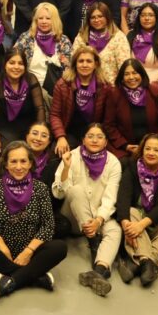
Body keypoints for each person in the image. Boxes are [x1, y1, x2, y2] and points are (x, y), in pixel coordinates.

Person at [0, 141, 67, 302]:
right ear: (6, 165)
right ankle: (35, 276)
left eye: (23, 161)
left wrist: (28, 252)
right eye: (13, 161)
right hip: (0, 250)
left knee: (60, 248)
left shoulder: (41, 188)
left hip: (31, 249)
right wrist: (3, 248)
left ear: (30, 163)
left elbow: (48, 226)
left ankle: (8, 281)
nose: (19, 166)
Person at [51, 124, 121, 297]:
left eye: (99, 136)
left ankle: (100, 270)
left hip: (96, 219)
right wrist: (66, 167)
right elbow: (59, 193)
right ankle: (93, 240)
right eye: (90, 136)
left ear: (105, 141)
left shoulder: (113, 163)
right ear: (83, 139)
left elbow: (110, 198)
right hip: (73, 217)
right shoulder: (72, 156)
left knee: (114, 229)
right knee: (76, 190)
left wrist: (98, 220)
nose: (95, 140)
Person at [115, 133, 158, 286]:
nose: (151, 153)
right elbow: (123, 196)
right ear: (142, 151)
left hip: (152, 223)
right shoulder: (131, 167)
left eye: (156, 150)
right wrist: (126, 225)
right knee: (132, 212)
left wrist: (140, 226)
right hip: (132, 221)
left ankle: (137, 264)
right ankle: (146, 263)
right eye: (147, 149)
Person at [50, 46, 114, 154]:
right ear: (75, 64)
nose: (84, 65)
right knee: (57, 153)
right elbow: (55, 114)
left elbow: (108, 120)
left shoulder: (105, 87)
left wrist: (99, 138)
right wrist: (60, 137)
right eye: (81, 61)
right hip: (69, 132)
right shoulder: (63, 85)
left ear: (96, 64)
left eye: (89, 61)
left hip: (95, 134)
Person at [108, 59, 158, 158]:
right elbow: (109, 125)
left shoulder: (155, 91)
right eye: (126, 74)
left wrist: (156, 145)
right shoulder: (115, 94)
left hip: (154, 148)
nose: (131, 77)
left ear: (142, 75)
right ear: (122, 77)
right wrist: (125, 145)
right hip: (126, 149)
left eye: (135, 73)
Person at [0, 48, 46, 147]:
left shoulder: (31, 79)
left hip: (30, 126)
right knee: (9, 151)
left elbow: (39, 108)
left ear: (25, 66)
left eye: (20, 63)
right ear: (5, 64)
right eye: (12, 63)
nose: (16, 67)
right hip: (6, 128)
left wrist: (39, 132)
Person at [14, 2, 73, 94]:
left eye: (48, 18)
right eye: (40, 18)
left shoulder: (63, 41)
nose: (44, 21)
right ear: (36, 20)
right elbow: (14, 60)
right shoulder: (26, 38)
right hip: (28, 89)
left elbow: (69, 69)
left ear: (54, 20)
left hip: (56, 91)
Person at [71, 2, 130, 84]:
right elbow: (73, 62)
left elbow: (124, 67)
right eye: (93, 17)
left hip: (110, 87)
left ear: (107, 17)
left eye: (100, 16)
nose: (96, 20)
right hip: (83, 86)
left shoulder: (118, 37)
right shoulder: (81, 36)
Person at [127, 2, 158, 89]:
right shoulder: (131, 35)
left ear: (156, 17)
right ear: (139, 18)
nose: (146, 18)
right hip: (133, 84)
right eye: (143, 15)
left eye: (150, 15)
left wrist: (145, 81)